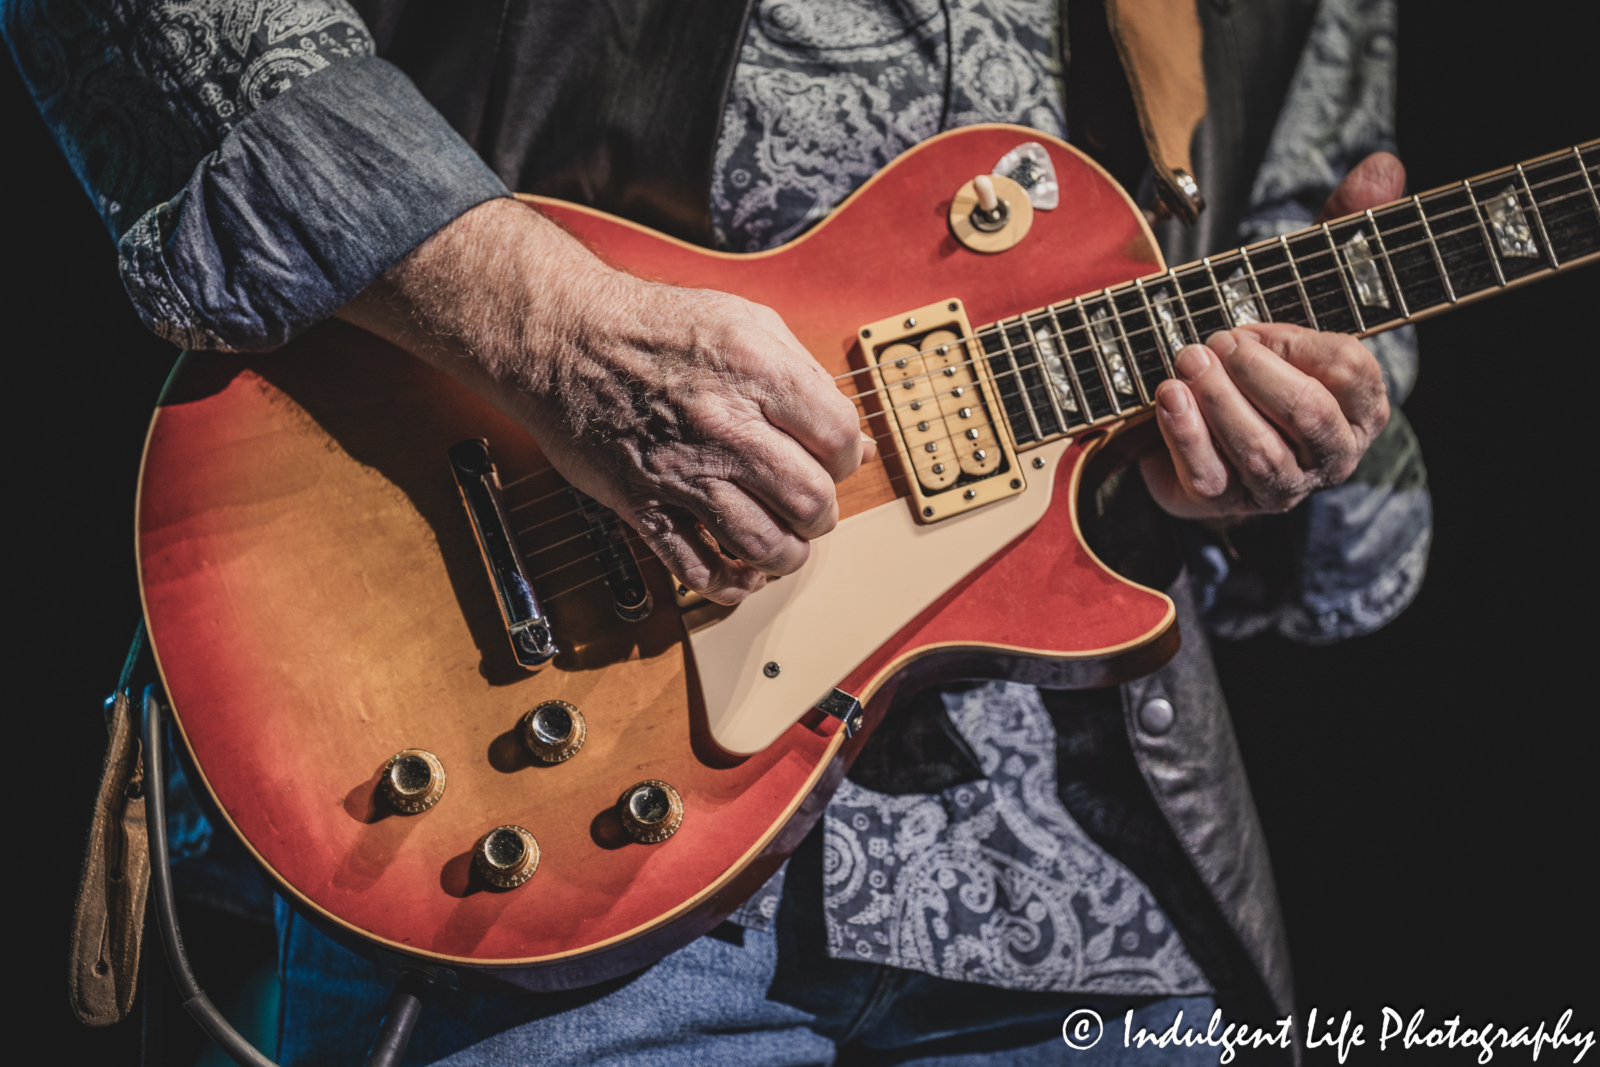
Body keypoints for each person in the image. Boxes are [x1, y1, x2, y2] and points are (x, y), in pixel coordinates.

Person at [6, 0, 1430, 1062]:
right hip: (553, 838)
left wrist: (1248, 463)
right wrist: (551, 331)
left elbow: (1351, 573)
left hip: (1076, 885)